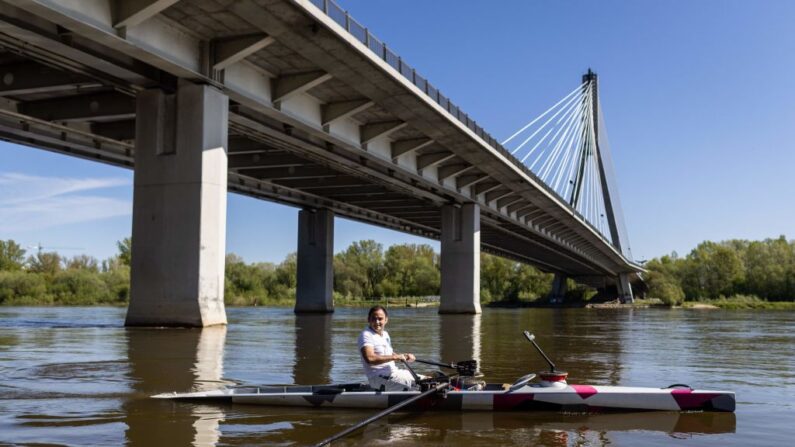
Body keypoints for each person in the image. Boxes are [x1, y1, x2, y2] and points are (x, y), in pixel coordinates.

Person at [358, 305, 417, 391]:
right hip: (378, 379)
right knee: (422, 385)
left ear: (386, 320)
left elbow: (389, 355)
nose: (377, 322)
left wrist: (404, 356)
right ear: (368, 320)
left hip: (394, 373)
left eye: (380, 319)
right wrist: (395, 357)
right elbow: (370, 358)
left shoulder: (385, 334)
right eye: (373, 319)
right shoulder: (366, 335)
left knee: (429, 379)